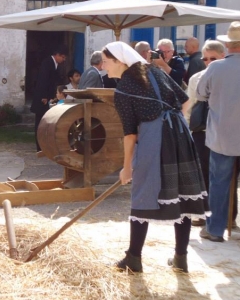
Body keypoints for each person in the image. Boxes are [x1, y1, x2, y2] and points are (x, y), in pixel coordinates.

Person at [101, 41, 206, 273]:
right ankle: (181, 258)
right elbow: (185, 100)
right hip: (179, 134)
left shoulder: (123, 89)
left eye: (106, 62)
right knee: (183, 195)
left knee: (143, 194)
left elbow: (130, 135)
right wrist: (173, 121)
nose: (103, 66)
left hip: (155, 139)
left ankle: (134, 258)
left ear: (119, 61)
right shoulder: (155, 70)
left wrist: (127, 167)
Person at [185, 40, 237, 228]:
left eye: (211, 58)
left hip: (222, 133)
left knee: (222, 180)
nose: (207, 61)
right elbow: (191, 102)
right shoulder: (202, 74)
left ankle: (222, 223)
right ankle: (213, 218)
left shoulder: (219, 69)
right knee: (209, 177)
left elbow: (201, 95)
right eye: (204, 58)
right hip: (206, 132)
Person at [196, 21, 240, 242]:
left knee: (219, 183)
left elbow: (200, 93)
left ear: (229, 45)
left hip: (222, 135)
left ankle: (214, 229)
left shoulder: (215, 67)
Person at [30, 45, 68, 152]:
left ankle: (43, 145)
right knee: (40, 122)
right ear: (57, 55)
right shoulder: (47, 63)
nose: (63, 60)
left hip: (47, 97)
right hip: (42, 98)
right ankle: (40, 147)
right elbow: (43, 80)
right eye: (63, 57)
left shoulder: (53, 64)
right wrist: (44, 96)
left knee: (45, 122)